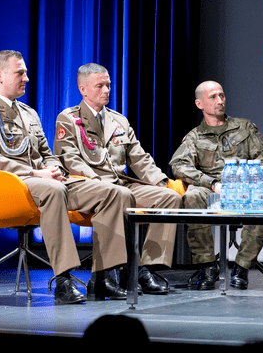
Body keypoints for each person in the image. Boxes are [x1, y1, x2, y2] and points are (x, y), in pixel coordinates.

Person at [0, 50, 134, 304]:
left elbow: (46, 153)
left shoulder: (29, 113)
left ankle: (102, 277)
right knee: (53, 191)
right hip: (11, 185)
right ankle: (63, 280)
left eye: (26, 72)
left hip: (46, 181)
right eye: (20, 72)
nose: (27, 78)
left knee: (116, 193)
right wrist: (35, 172)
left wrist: (53, 169)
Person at [54, 63, 182, 295]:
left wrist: (161, 181)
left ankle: (144, 269)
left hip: (120, 182)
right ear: (83, 89)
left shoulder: (118, 121)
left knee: (169, 198)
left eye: (108, 85)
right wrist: (95, 178)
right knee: (119, 194)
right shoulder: (69, 119)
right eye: (100, 85)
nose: (106, 90)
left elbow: (139, 158)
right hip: (87, 185)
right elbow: (69, 159)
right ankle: (108, 274)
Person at [169, 80, 263, 290]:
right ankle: (208, 266)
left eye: (222, 96)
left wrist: (248, 181)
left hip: (244, 184)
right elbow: (180, 166)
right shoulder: (194, 136)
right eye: (213, 97)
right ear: (199, 104)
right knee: (191, 196)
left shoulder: (244, 127)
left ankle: (242, 267)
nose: (220, 101)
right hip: (211, 188)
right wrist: (212, 183)